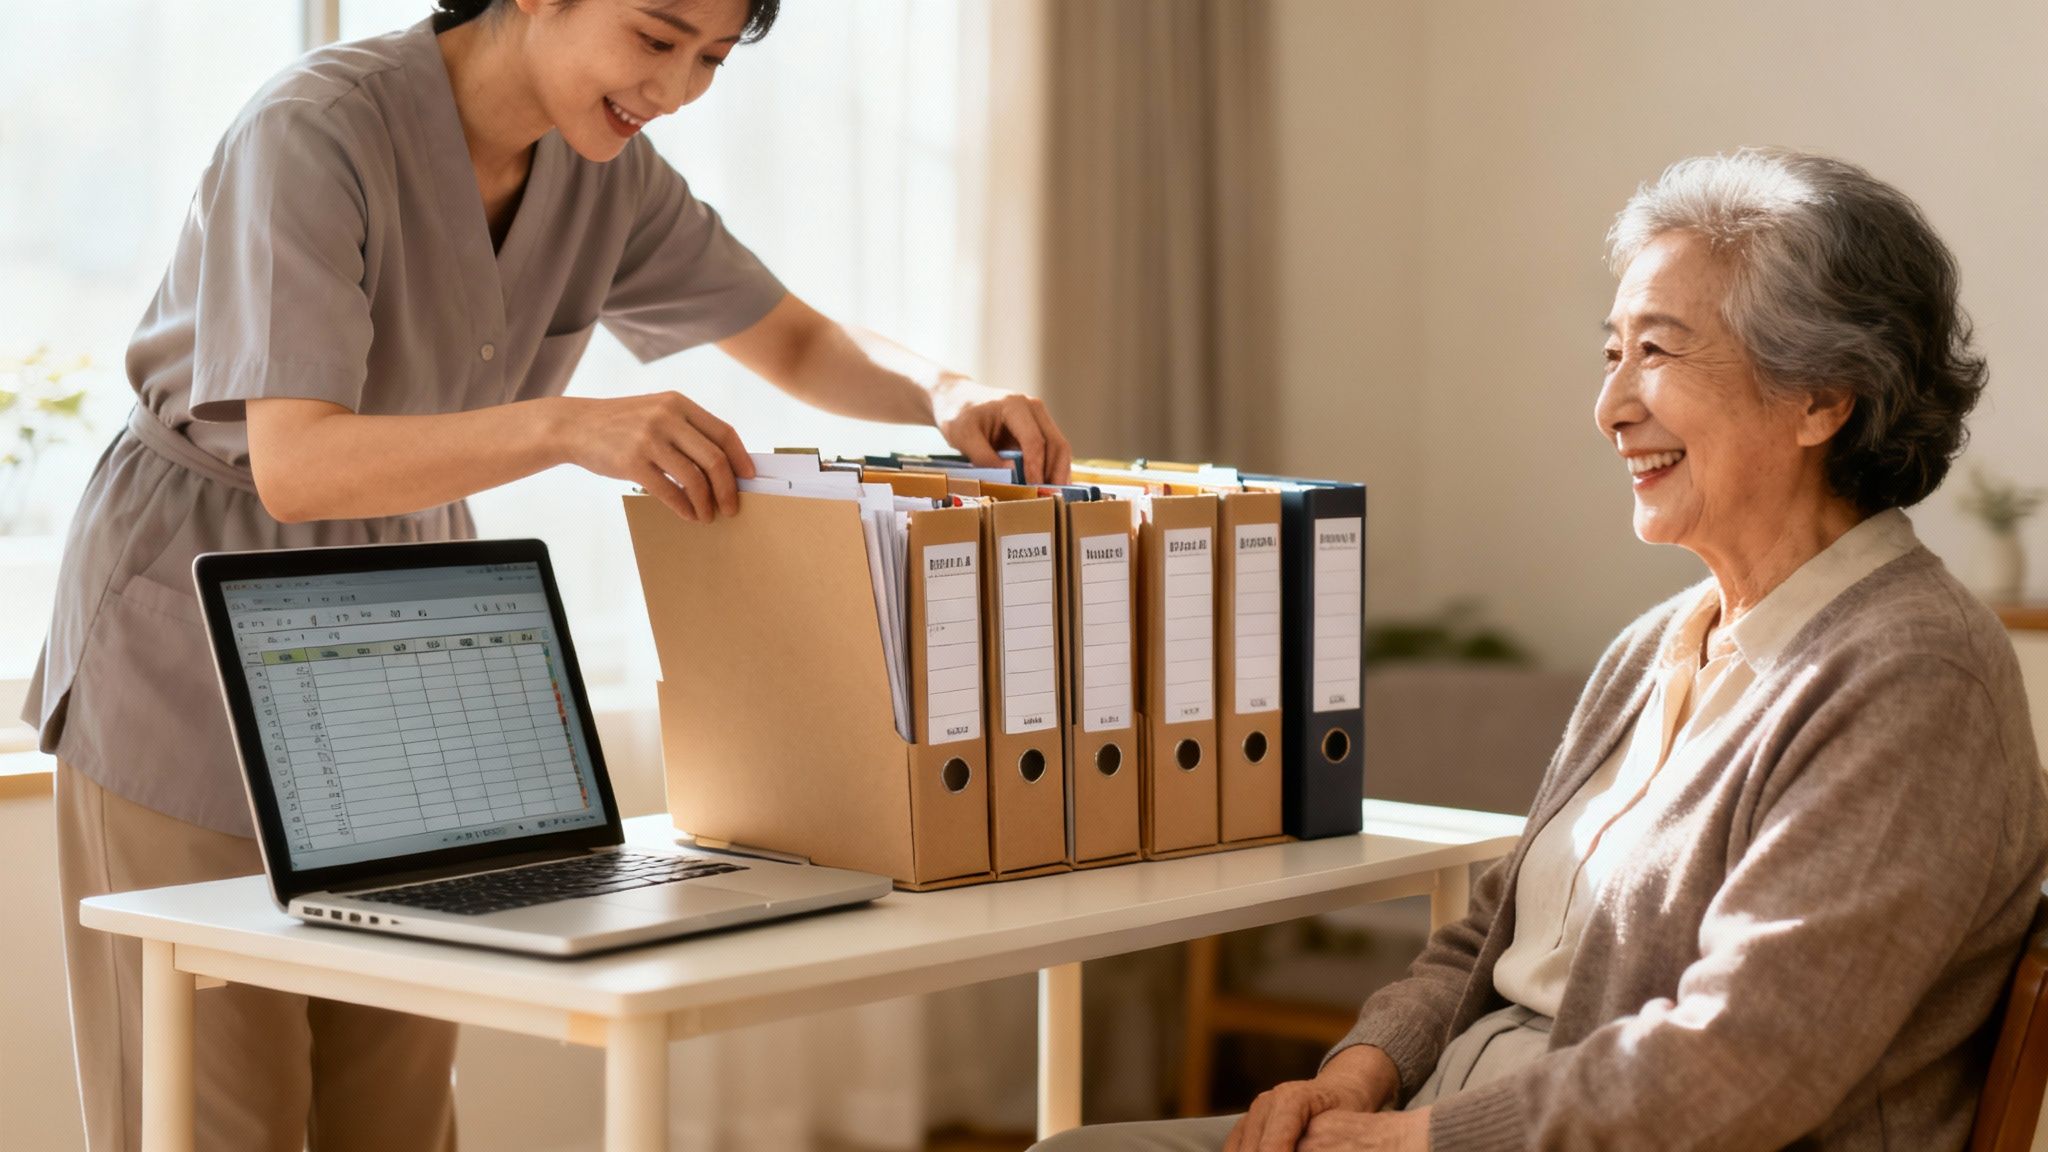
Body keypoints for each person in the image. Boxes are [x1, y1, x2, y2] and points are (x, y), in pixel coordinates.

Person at [25, 1, 1073, 1148]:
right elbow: (298, 464)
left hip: (408, 620)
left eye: (712, 59)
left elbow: (790, 338)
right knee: (212, 1110)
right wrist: (567, 427)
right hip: (196, 620)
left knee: (398, 1104)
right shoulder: (316, 131)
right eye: (656, 36)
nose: (675, 88)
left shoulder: (602, 174)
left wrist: (941, 389)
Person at [1036, 150, 2048, 1151]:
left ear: (1820, 399)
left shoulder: (1912, 675)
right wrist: (1352, 1076)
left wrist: (1413, 1143)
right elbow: (1493, 933)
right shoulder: (1656, 645)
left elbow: (1750, 1059)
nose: (1609, 407)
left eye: (1656, 351)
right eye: (1609, 353)